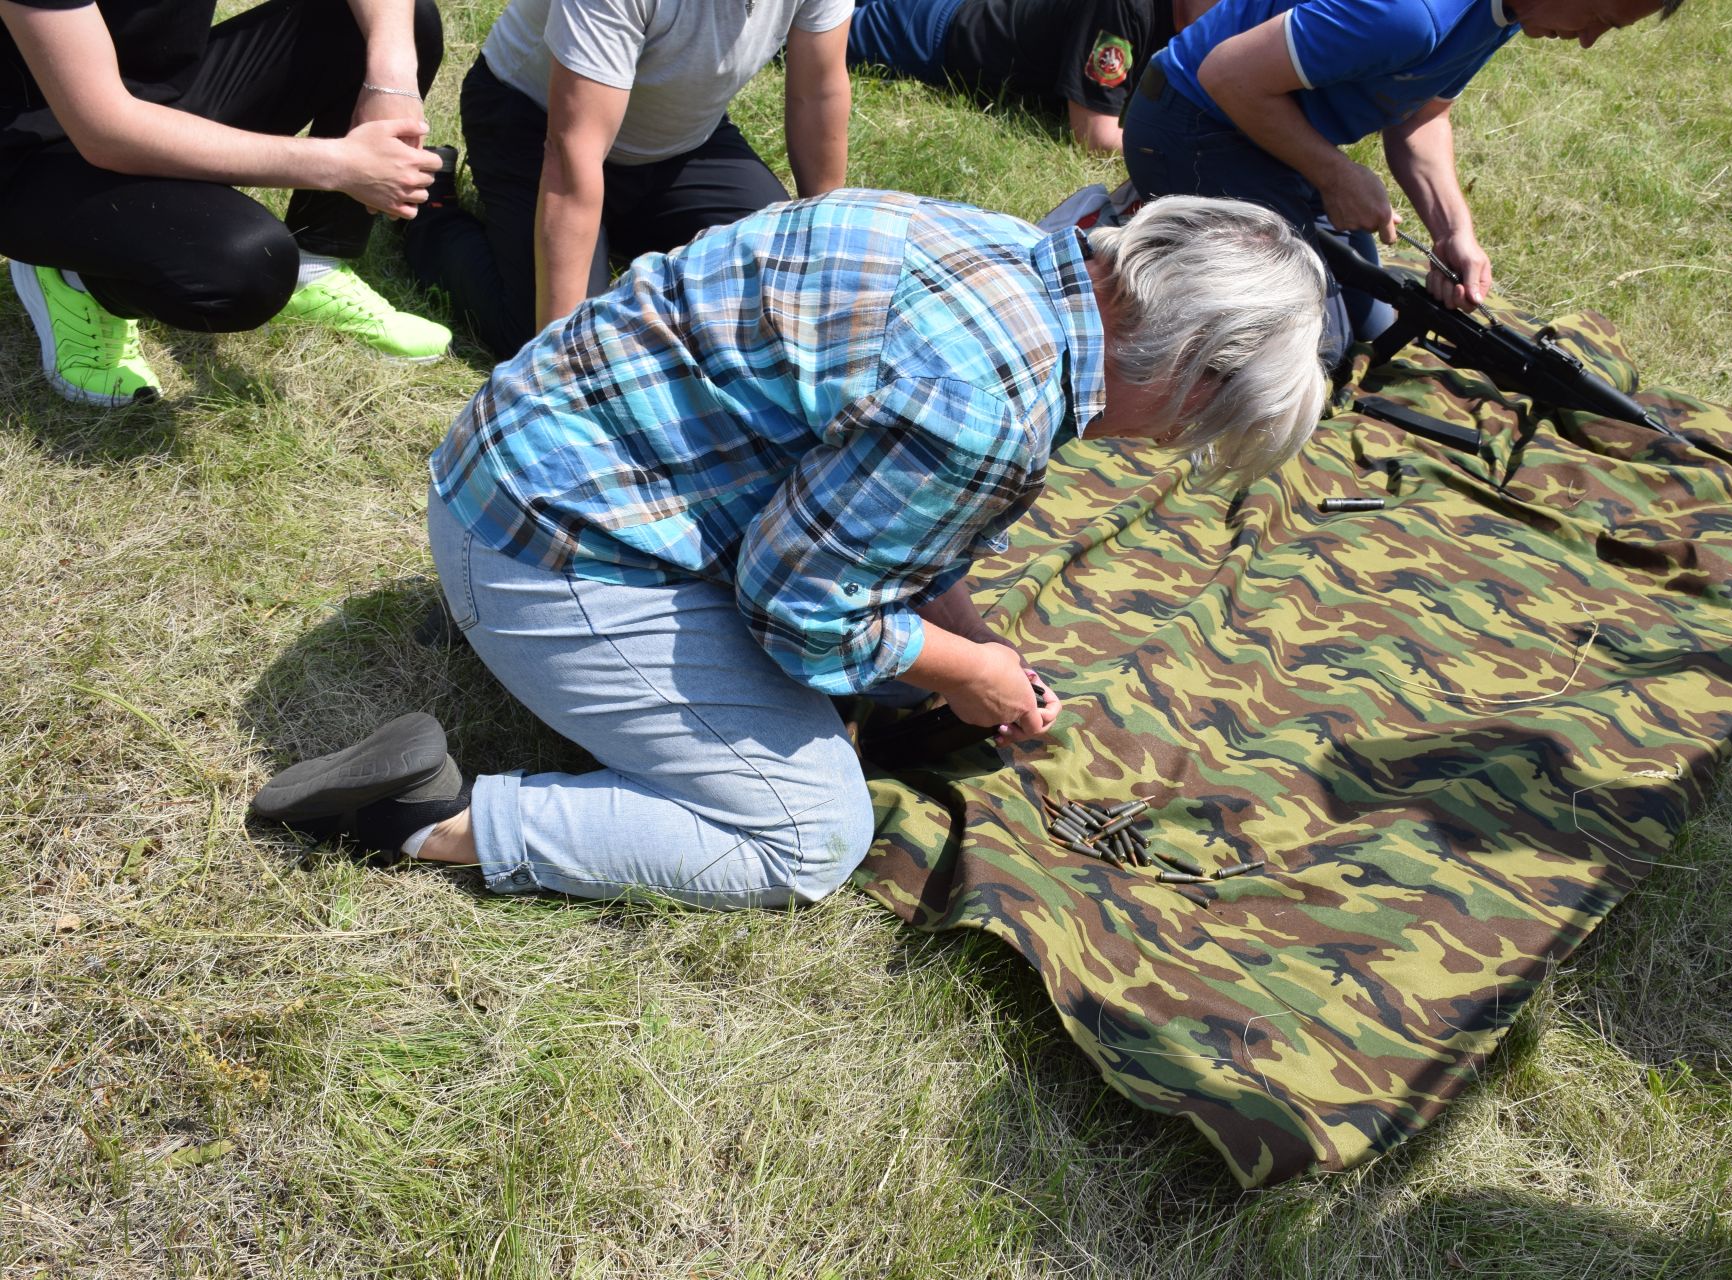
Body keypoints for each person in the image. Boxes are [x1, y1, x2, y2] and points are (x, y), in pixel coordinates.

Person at [253, 188, 1327, 909]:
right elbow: (798, 609)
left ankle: (524, 654)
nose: (1168, 448)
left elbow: (862, 501)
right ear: (1193, 367)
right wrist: (972, 669)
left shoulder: (999, 251)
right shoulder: (989, 402)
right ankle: (432, 816)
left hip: (514, 470)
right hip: (549, 553)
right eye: (1198, 429)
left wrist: (970, 643)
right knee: (809, 834)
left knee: (901, 679)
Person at [1123, 0, 1681, 356]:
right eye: (1601, 20)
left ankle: (1200, 236)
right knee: (1304, 348)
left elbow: (1422, 116)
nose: (1588, 42)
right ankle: (1138, 239)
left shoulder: (1507, 12)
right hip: (1187, 122)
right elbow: (1225, 74)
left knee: (1374, 320)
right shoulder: (1409, 14)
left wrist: (1453, 229)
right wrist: (1335, 174)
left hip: (1271, 139)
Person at [0, 0, 452, 409]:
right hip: (30, 152)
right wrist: (341, 165)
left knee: (399, 22)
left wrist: (391, 82)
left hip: (154, 95)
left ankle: (315, 263)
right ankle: (77, 276)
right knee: (244, 268)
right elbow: (105, 133)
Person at [403, 0, 853, 363]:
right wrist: (558, 368)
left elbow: (817, 92)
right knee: (540, 334)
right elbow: (570, 153)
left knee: (773, 273)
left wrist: (825, 248)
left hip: (682, 144)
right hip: (533, 123)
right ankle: (429, 205)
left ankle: (609, 231)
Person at [845, 0, 1210, 153]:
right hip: (941, 36)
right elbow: (1094, 135)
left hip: (965, 13)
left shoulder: (1201, 31)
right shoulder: (1126, 8)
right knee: (804, 32)